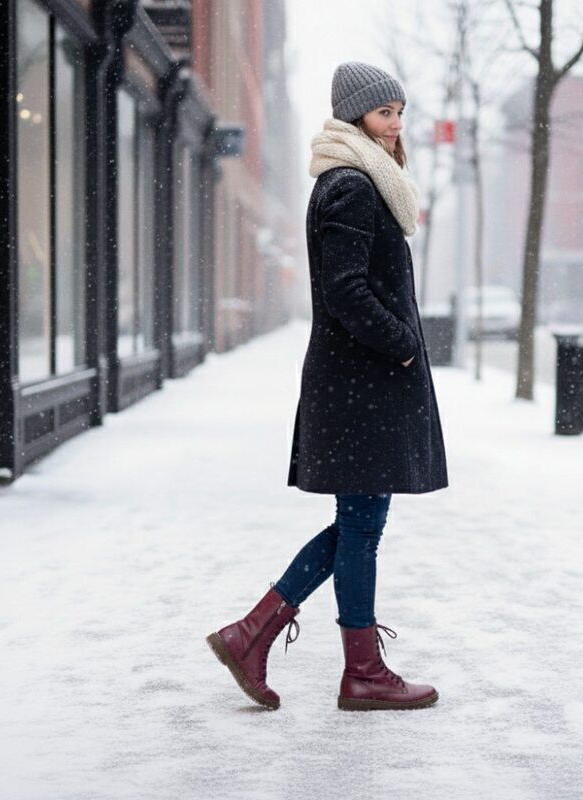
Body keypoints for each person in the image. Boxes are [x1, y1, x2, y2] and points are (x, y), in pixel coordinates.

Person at [207, 62, 448, 712]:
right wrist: (400, 345)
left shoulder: (362, 181)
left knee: (357, 525)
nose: (396, 122)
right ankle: (359, 671)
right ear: (355, 118)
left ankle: (252, 634)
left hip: (358, 385)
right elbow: (345, 290)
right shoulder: (353, 186)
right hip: (361, 385)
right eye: (383, 112)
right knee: (362, 527)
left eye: (400, 110)